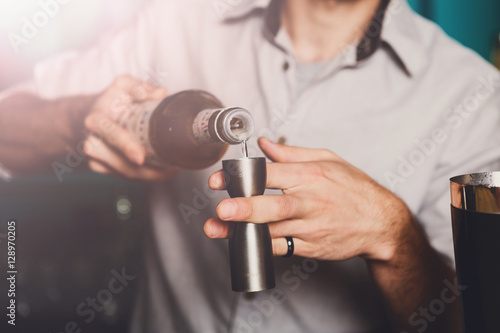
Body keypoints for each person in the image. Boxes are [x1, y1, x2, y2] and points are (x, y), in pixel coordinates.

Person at [1, 0, 499, 331]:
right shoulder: (178, 21)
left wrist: (395, 239)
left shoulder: (474, 99)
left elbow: (474, 320)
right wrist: (74, 119)